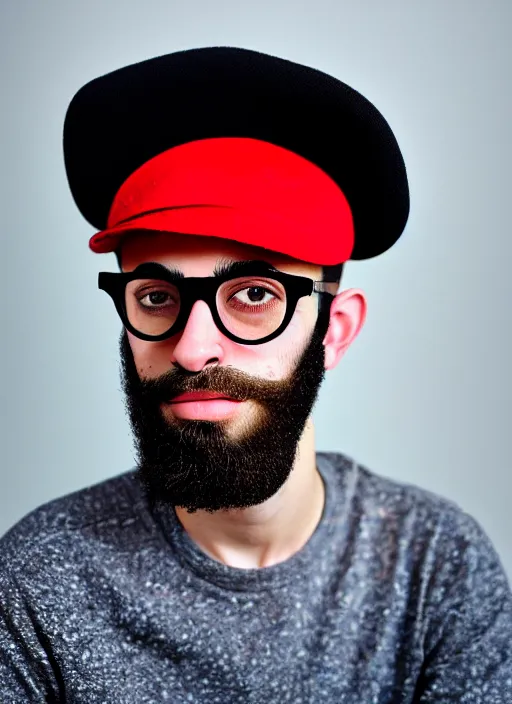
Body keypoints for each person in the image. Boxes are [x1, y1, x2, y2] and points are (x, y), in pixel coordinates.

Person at [0, 46, 510, 704]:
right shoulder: (38, 583)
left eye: (253, 295)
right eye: (156, 298)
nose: (192, 349)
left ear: (335, 330)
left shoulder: (436, 569)